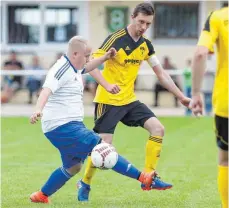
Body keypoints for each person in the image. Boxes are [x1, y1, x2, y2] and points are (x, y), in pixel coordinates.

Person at [29, 36, 168, 204]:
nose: (88, 59)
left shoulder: (75, 66)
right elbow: (45, 91)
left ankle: (41, 195)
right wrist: (38, 109)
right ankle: (145, 179)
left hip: (69, 125)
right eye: (86, 55)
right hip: (61, 126)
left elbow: (87, 67)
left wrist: (105, 57)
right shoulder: (60, 69)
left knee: (73, 167)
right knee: (103, 148)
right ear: (75, 54)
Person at [77, 2, 191, 201]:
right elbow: (89, 65)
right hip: (108, 100)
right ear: (132, 17)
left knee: (158, 129)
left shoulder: (146, 45)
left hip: (129, 100)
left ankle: (149, 177)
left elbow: (161, 74)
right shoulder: (115, 39)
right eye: (141, 22)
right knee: (103, 148)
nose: (144, 27)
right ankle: (85, 183)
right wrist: (105, 84)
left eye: (148, 24)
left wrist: (180, 96)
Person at [190, 6, 228, 208]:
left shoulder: (218, 17)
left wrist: (196, 92)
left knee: (225, 160)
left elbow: (200, 54)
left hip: (226, 103)